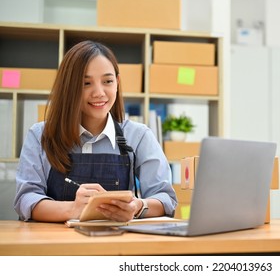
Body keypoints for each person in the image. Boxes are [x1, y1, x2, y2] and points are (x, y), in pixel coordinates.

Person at [14, 40, 177, 222]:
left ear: (117, 82)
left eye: (107, 81)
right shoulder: (40, 135)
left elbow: (166, 199)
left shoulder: (138, 136)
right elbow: (26, 200)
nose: (99, 92)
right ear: (69, 87)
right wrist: (73, 209)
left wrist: (137, 207)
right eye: (86, 83)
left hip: (115, 245)